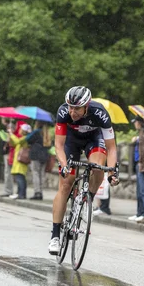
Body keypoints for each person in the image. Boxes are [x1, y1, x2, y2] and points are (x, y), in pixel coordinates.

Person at [48, 86, 119, 255]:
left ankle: (87, 200)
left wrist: (112, 172)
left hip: (93, 140)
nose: (72, 112)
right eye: (70, 107)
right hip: (71, 142)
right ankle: (55, 236)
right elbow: (58, 145)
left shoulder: (100, 113)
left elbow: (112, 148)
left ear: (87, 106)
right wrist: (65, 165)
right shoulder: (63, 112)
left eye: (77, 108)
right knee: (66, 184)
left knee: (97, 166)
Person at [26, 121, 51, 200]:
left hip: (36, 155)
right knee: (41, 174)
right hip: (44, 155)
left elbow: (27, 139)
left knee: (35, 173)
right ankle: (41, 192)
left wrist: (30, 132)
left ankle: (37, 192)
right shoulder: (47, 133)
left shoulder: (36, 132)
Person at [128, 115, 144, 221]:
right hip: (137, 163)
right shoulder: (140, 133)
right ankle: (139, 213)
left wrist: (138, 139)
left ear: (139, 122)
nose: (134, 124)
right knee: (139, 190)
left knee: (142, 190)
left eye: (135, 122)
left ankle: (142, 213)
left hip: (141, 163)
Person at [10, 122, 32, 200]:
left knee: (20, 178)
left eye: (20, 129)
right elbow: (14, 144)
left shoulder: (24, 139)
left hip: (21, 162)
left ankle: (22, 194)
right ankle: (20, 193)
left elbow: (17, 142)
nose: (19, 130)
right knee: (19, 178)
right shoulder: (23, 138)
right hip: (18, 161)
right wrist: (10, 137)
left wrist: (11, 134)